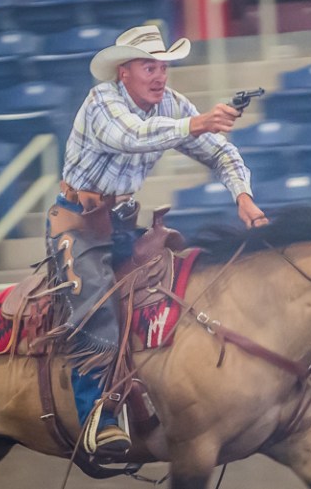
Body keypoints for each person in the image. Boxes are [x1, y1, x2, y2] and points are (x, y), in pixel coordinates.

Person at [45, 25, 268, 456]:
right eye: (150, 67)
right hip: (76, 225)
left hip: (122, 223)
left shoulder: (171, 104)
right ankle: (98, 418)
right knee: (95, 307)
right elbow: (131, 136)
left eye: (163, 67)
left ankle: (173, 395)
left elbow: (220, 151)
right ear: (124, 72)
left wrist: (244, 198)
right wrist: (198, 123)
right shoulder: (102, 101)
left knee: (176, 290)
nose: (160, 76)